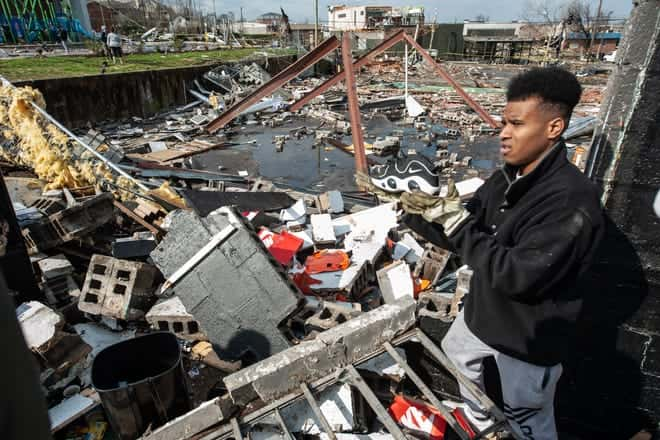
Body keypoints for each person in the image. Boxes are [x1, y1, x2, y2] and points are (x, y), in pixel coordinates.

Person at [400, 67, 604, 439]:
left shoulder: (571, 203)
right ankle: (483, 427)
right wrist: (411, 211)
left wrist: (458, 224)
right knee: (456, 355)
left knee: (528, 420)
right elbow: (466, 237)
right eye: (503, 123)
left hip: (528, 340)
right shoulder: (505, 178)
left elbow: (518, 275)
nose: (504, 133)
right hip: (482, 317)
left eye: (516, 124)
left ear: (554, 128)